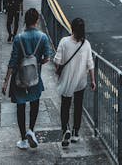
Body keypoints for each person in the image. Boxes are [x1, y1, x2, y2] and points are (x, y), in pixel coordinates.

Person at [2, 8, 52, 150]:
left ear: (25, 21)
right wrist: (36, 63)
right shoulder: (42, 37)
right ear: (36, 21)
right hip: (35, 77)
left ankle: (23, 139)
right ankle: (31, 130)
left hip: (19, 78)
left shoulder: (18, 38)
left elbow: (12, 61)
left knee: (20, 106)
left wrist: (6, 81)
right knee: (34, 103)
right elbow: (47, 58)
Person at [54, 17, 95, 147]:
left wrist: (58, 71)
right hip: (80, 81)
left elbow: (58, 61)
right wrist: (93, 80)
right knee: (78, 106)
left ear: (71, 28)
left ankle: (65, 129)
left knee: (65, 106)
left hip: (67, 81)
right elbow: (90, 64)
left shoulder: (64, 42)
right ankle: (76, 132)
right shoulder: (86, 44)